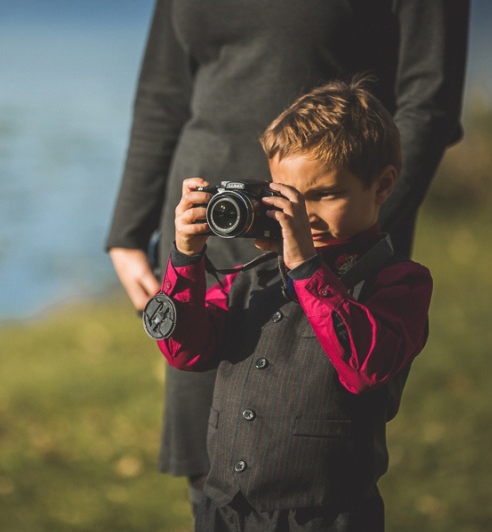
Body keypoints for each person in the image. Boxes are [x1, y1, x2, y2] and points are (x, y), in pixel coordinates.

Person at [105, 0, 468, 510]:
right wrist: (151, 245)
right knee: (211, 453)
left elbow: (430, 98)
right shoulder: (244, 278)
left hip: (344, 243)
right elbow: (162, 95)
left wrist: (350, 245)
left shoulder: (392, 278)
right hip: (219, 229)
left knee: (312, 431)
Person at [151, 77, 432, 531]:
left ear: (382, 185)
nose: (302, 213)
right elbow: (186, 352)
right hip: (224, 511)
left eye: (324, 194)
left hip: (327, 516)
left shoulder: (399, 282)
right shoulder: (251, 277)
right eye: (286, 196)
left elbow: (365, 367)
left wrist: (304, 266)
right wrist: (186, 258)